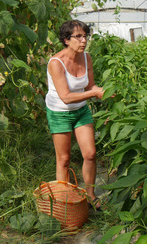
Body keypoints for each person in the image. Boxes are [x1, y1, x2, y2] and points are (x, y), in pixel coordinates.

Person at [45, 20, 109, 210]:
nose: (84, 41)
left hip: (80, 110)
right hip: (59, 112)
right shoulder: (56, 63)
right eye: (78, 36)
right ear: (66, 39)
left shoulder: (86, 58)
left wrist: (105, 90)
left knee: (90, 154)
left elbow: (90, 86)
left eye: (85, 36)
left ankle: (90, 195)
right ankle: (64, 201)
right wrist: (94, 94)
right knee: (63, 159)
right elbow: (65, 97)